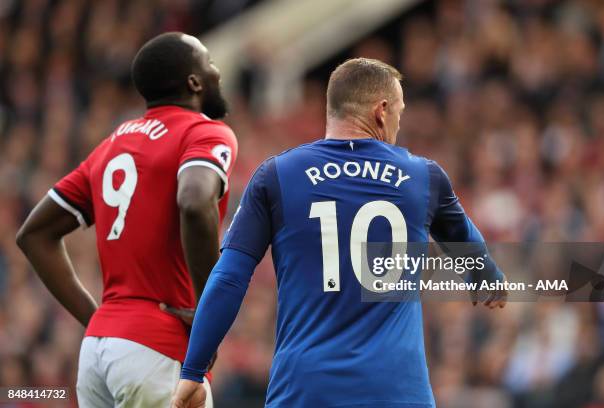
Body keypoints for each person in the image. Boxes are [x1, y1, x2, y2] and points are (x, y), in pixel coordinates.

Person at [172, 58, 506, 408]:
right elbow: (472, 252)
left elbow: (228, 278)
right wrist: (487, 277)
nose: (397, 123)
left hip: (305, 392)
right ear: (382, 111)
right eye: (399, 113)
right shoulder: (424, 178)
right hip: (396, 393)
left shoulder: (277, 176)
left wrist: (193, 371)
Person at [16, 32, 237, 407]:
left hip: (97, 355)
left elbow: (33, 235)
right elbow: (195, 200)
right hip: (158, 350)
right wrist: (208, 311)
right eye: (210, 62)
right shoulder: (204, 132)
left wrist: (98, 319)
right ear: (194, 82)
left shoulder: (112, 144)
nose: (218, 71)